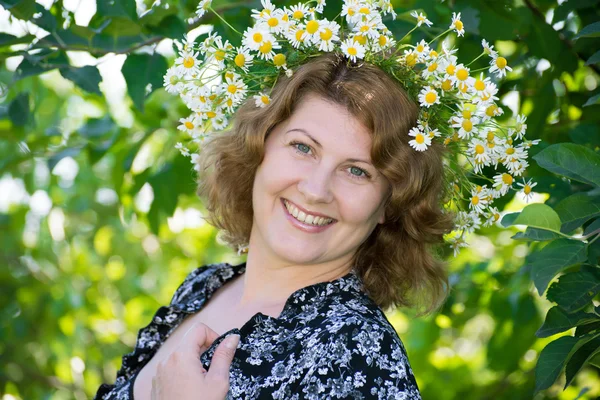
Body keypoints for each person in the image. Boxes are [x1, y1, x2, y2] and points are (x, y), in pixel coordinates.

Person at [94, 51, 454, 400]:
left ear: (387, 205)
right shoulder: (204, 287)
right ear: (259, 148)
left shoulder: (358, 348)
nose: (315, 191)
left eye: (357, 171)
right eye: (303, 147)